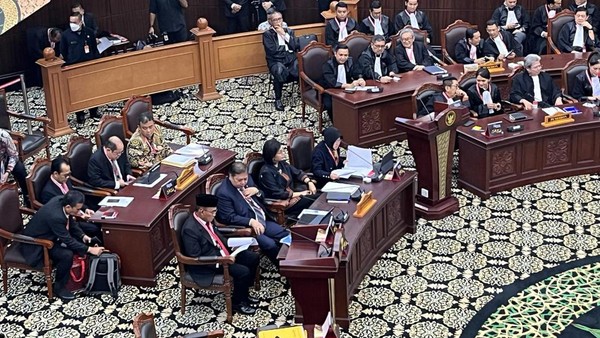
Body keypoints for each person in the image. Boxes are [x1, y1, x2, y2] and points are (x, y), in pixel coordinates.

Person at [181, 193, 260, 315]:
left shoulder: (206, 219)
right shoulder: (190, 229)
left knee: (253, 258)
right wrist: (221, 259)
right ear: (201, 211)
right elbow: (194, 255)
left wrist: (233, 245)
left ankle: (243, 293)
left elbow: (216, 235)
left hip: (223, 253)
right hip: (209, 264)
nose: (214, 215)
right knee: (243, 271)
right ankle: (237, 303)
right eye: (212, 212)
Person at [20, 190, 105, 301]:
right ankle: (59, 287)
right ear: (69, 206)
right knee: (66, 255)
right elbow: (67, 240)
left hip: (53, 236)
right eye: (78, 209)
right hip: (37, 244)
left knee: (80, 241)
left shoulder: (61, 201)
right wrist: (90, 249)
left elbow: (70, 220)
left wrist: (83, 235)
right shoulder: (55, 217)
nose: (80, 212)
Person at [216, 162, 289, 263]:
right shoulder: (224, 193)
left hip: (262, 219)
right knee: (270, 245)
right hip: (248, 227)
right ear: (230, 177)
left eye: (245, 179)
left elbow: (262, 196)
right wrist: (250, 221)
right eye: (239, 180)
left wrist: (257, 191)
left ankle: (291, 261)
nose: (243, 182)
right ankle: (282, 266)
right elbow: (228, 217)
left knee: (285, 234)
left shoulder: (248, 179)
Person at [41, 156, 101, 238]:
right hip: (70, 221)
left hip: (77, 212)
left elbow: (74, 199)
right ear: (55, 174)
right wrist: (80, 216)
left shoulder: (65, 180)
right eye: (65, 175)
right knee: (94, 228)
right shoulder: (48, 193)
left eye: (69, 174)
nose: (68, 177)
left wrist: (85, 209)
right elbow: (59, 214)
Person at [259, 138, 318, 217]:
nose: (283, 154)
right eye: (280, 152)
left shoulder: (281, 163)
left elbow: (297, 172)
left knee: (319, 195)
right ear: (273, 156)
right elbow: (279, 194)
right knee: (316, 199)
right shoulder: (266, 173)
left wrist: (309, 182)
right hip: (283, 202)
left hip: (294, 193)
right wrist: (300, 194)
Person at [60, 12, 99, 124]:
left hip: (89, 66)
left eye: (74, 22)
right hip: (73, 67)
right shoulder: (65, 35)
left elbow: (94, 48)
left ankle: (93, 111)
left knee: (92, 89)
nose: (72, 24)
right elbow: (63, 52)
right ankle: (80, 114)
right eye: (70, 22)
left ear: (81, 22)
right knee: (77, 93)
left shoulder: (89, 32)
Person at [262, 11, 299, 111]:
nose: (278, 21)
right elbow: (273, 51)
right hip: (275, 61)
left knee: (301, 65)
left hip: (290, 60)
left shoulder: (289, 31)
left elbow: (295, 46)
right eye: (275, 20)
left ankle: (305, 93)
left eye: (280, 19)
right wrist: (287, 49)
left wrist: (284, 34)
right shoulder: (267, 34)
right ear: (270, 22)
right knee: (279, 70)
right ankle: (278, 99)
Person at [320, 43, 365, 123]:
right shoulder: (327, 65)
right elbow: (332, 82)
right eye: (341, 55)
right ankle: (337, 123)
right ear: (335, 54)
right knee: (330, 105)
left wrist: (360, 79)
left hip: (348, 88)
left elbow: (357, 72)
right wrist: (349, 85)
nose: (343, 58)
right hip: (329, 90)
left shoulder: (350, 61)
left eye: (346, 55)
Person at [0, 128, 28, 206]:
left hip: (5, 159)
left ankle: (27, 198)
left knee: (20, 169)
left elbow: (14, 156)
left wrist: (7, 172)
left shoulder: (3, 135)